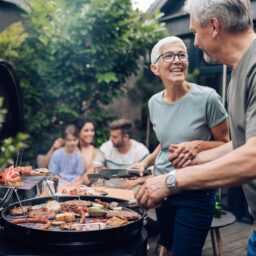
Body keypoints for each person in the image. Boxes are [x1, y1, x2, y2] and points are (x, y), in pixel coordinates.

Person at [136, 1, 256, 255]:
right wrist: (191, 159)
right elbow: (241, 143)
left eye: (193, 32)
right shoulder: (238, 72)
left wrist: (171, 179)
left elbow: (252, 156)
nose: (195, 43)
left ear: (213, 26)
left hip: (195, 195)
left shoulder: (247, 72)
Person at [134, 36, 229, 256]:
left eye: (182, 55)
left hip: (196, 190)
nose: (177, 60)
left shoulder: (208, 98)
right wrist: (146, 160)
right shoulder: (154, 103)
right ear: (155, 68)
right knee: (168, 244)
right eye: (169, 55)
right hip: (162, 189)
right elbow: (166, 142)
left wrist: (196, 145)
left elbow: (228, 143)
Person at [83, 118, 150, 190]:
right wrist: (78, 185)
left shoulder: (141, 151)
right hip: (110, 194)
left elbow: (153, 174)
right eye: (111, 135)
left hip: (132, 195)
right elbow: (94, 169)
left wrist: (135, 182)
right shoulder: (106, 147)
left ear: (125, 137)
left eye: (114, 137)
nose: (111, 139)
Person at [48, 124, 84, 189]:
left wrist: (74, 185)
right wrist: (67, 184)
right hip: (59, 183)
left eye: (74, 140)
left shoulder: (79, 156)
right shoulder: (57, 154)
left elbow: (79, 175)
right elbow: (53, 175)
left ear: (78, 140)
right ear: (64, 140)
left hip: (74, 184)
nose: (72, 143)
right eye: (69, 140)